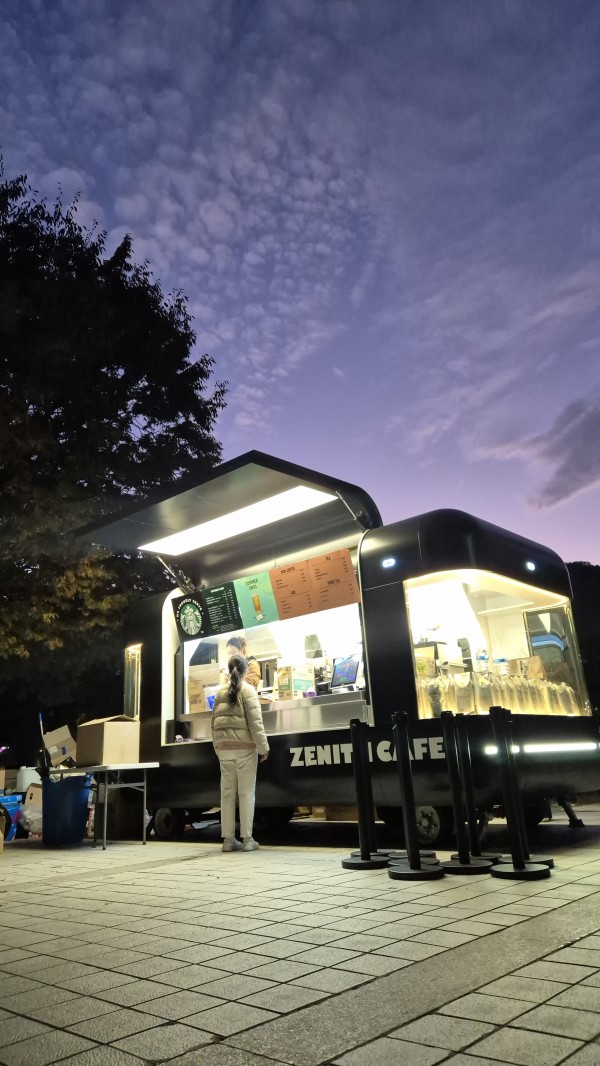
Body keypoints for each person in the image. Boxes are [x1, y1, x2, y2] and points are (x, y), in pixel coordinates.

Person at [211, 653, 269, 852]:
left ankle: (228, 840)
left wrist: (218, 748)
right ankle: (247, 839)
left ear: (229, 671)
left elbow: (213, 724)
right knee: (246, 793)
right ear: (246, 671)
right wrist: (263, 748)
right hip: (245, 750)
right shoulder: (248, 690)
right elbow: (255, 723)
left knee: (227, 795)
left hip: (224, 751)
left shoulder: (219, 692)